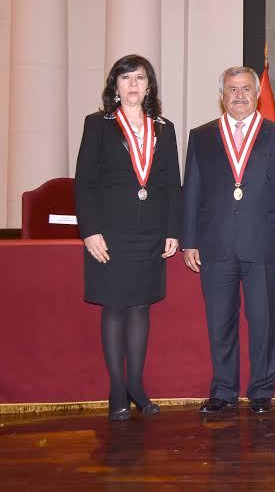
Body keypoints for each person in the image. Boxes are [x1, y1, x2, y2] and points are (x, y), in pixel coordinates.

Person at [181, 66, 275, 415]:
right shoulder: (201, 137)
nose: (240, 95)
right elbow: (192, 192)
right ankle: (224, 391)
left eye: (246, 88)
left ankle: (261, 391)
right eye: (232, 89)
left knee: (263, 322)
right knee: (220, 322)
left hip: (263, 244)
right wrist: (189, 240)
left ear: (257, 94)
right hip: (215, 244)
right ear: (222, 95)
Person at [74, 54, 181, 421]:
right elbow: (85, 182)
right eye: (125, 78)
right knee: (115, 307)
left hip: (151, 233)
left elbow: (171, 184)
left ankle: (136, 384)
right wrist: (89, 230)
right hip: (110, 233)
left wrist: (172, 230)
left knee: (140, 307)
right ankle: (116, 387)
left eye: (140, 77)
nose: (133, 84)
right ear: (115, 86)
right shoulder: (98, 125)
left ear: (149, 86)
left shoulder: (164, 128)